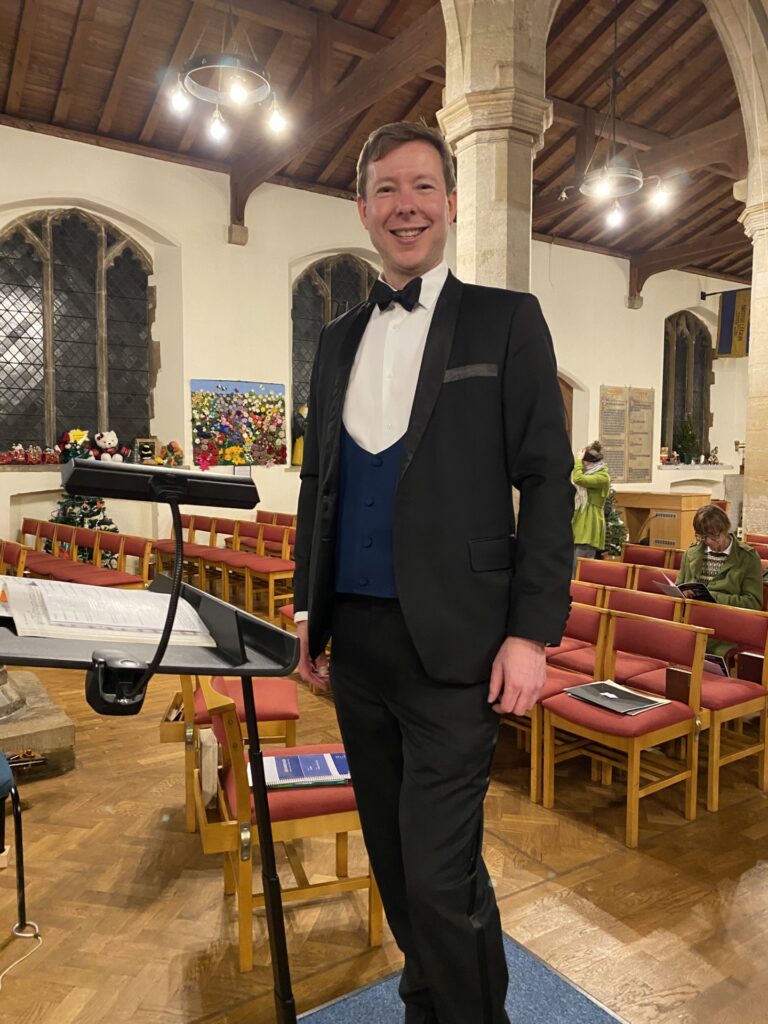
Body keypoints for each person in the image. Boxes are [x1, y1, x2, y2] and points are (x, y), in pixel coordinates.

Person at [293, 121, 574, 1024]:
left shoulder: (504, 319)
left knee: (439, 870)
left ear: (451, 202)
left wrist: (531, 633)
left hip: (460, 643)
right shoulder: (337, 338)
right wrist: (308, 612)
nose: (404, 205)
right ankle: (434, 1000)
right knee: (396, 860)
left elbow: (547, 481)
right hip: (358, 646)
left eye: (422, 187)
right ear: (364, 208)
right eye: (386, 189)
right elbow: (320, 486)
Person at [676, 503, 763, 610]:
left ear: (725, 529)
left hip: (727, 619)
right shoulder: (691, 553)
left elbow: (753, 603)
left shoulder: (747, 557)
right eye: (702, 536)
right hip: (692, 617)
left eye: (713, 535)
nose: (708, 541)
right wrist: (683, 593)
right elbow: (679, 587)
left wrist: (714, 597)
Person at [571, 440, 611, 574]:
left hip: (590, 523)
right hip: (579, 521)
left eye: (583, 461)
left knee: (579, 569)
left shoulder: (602, 476)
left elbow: (578, 479)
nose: (581, 464)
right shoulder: (588, 472)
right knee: (571, 568)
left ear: (590, 462)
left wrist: (577, 462)